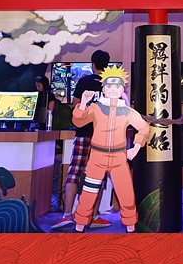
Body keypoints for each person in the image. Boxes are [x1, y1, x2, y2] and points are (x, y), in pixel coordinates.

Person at [73, 66, 149, 233]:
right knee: (88, 192)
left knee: (126, 193)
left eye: (117, 86)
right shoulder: (96, 108)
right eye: (109, 86)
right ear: (104, 89)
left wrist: (136, 147)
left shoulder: (128, 112)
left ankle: (130, 226)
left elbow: (144, 128)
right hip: (97, 157)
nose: (113, 89)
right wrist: (83, 103)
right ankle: (79, 225)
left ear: (122, 89)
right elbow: (78, 121)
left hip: (119, 158)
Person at [52, 50, 113, 231]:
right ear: (107, 64)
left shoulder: (84, 82)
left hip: (83, 132)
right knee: (98, 176)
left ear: (93, 64)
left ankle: (67, 215)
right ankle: (93, 216)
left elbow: (75, 106)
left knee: (75, 172)